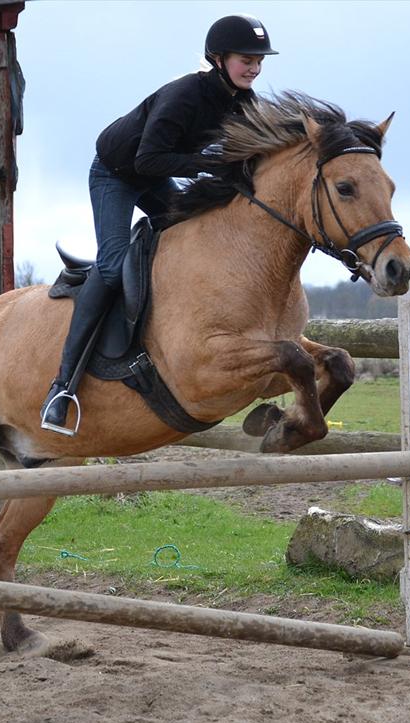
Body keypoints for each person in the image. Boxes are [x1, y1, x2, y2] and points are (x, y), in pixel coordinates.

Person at [40, 14, 279, 435]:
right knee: (112, 267)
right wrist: (208, 163)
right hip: (116, 175)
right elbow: (147, 160)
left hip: (153, 176)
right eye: (247, 59)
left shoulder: (244, 102)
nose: (255, 67)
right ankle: (62, 388)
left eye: (259, 60)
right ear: (218, 59)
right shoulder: (184, 95)